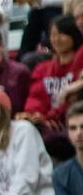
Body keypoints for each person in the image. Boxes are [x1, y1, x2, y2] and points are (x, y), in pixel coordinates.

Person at [21, 14, 83, 146]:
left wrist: (48, 116)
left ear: (74, 34)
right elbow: (36, 97)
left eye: (62, 34)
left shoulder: (79, 64)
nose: (56, 39)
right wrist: (33, 114)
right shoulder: (42, 68)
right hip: (46, 125)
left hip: (72, 123)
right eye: (53, 34)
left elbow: (73, 100)